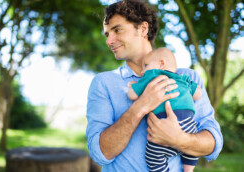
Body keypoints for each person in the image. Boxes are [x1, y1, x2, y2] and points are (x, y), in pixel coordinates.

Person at [86, 0, 223, 171]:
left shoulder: (187, 77)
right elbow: (100, 153)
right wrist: (142, 105)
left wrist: (179, 139)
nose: (109, 41)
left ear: (143, 29)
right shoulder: (103, 83)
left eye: (117, 30)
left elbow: (214, 144)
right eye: (107, 35)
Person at [128, 47, 202, 172]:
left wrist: (131, 85)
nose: (142, 71)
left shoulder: (152, 75)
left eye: (145, 65)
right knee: (191, 150)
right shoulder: (183, 78)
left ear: (161, 64)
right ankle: (188, 170)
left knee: (153, 157)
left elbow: (132, 95)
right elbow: (198, 94)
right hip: (189, 125)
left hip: (162, 126)